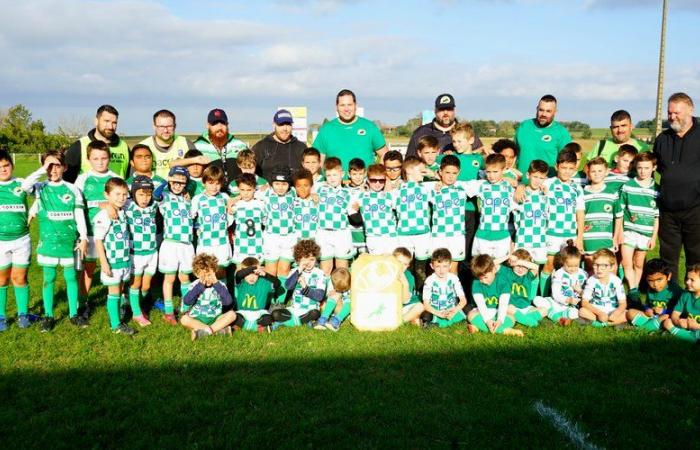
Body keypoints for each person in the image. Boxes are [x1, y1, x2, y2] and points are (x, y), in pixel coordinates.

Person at [26, 150, 89, 332]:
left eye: (57, 165)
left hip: (70, 242)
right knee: (49, 278)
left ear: (65, 167)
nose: (53, 170)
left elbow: (79, 215)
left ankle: (73, 314)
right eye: (49, 165)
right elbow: (25, 186)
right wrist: (42, 168)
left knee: (71, 278)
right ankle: (48, 315)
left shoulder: (73, 189)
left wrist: (83, 238)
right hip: (48, 243)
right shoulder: (40, 187)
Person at [653, 92, 700, 281]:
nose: (672, 117)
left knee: (696, 258)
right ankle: (671, 299)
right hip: (668, 211)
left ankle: (695, 303)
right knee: (668, 258)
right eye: (669, 113)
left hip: (695, 209)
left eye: (676, 113)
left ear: (691, 110)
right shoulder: (662, 139)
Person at [74, 141, 119, 317]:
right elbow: (76, 205)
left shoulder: (115, 178)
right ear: (89, 159)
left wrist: (110, 205)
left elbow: (122, 201)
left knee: (115, 267)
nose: (100, 162)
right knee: (88, 268)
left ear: (109, 158)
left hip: (112, 235)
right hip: (90, 234)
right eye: (96, 159)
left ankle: (118, 299)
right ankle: (83, 302)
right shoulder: (83, 179)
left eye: (104, 158)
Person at [535, 148, 584, 296]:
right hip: (551, 232)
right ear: (557, 166)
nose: (567, 171)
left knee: (569, 266)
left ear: (575, 168)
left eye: (571, 168)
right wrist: (521, 187)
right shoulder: (547, 183)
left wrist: (580, 237)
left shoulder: (577, 188)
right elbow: (531, 186)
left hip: (569, 234)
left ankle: (569, 295)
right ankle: (544, 296)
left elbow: (580, 213)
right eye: (563, 168)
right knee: (549, 265)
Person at [94, 177, 136, 335]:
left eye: (125, 194)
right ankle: (115, 324)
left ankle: (118, 314)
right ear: (107, 195)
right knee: (113, 292)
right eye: (117, 194)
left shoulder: (122, 210)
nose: (122, 198)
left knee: (119, 289)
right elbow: (98, 241)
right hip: (111, 262)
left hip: (123, 260)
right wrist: (104, 263)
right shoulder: (104, 216)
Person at [617, 152, 659, 306]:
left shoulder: (657, 189)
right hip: (629, 231)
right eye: (640, 168)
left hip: (645, 233)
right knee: (626, 262)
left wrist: (653, 237)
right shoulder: (628, 186)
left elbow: (656, 217)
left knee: (639, 263)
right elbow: (620, 211)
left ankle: (632, 289)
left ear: (654, 167)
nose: (643, 171)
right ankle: (633, 291)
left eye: (647, 168)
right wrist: (620, 232)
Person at [154, 166, 194, 324]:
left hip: (187, 244)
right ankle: (169, 311)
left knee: (185, 277)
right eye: (174, 182)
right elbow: (156, 194)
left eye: (181, 183)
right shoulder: (165, 196)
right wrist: (166, 181)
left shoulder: (187, 198)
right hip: (170, 244)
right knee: (169, 278)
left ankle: (186, 308)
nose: (177, 186)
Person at [312, 89, 387, 172]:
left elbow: (385, 155)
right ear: (336, 107)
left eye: (349, 105)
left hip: (364, 184)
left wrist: (378, 175)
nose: (346, 109)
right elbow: (317, 161)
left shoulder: (369, 127)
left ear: (356, 106)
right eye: (342, 105)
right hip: (334, 184)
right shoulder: (326, 130)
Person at [0, 150, 34, 331]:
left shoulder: (21, 183)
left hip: (22, 240)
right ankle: (1, 316)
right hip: (0, 242)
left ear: (12, 166)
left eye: (6, 166)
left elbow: (43, 194)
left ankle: (22, 314)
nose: (3, 170)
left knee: (19, 277)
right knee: (1, 280)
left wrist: (34, 211)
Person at [459, 153, 514, 259]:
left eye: (495, 172)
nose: (491, 175)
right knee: (481, 267)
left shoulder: (510, 188)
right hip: (483, 234)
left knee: (499, 266)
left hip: (502, 235)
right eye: (488, 172)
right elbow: (460, 185)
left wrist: (520, 186)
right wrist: (440, 182)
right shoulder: (481, 185)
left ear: (503, 170)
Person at [395, 156, 433, 291]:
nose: (424, 173)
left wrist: (432, 175)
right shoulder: (397, 190)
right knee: (405, 265)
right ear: (409, 171)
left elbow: (442, 183)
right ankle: (407, 292)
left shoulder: (426, 188)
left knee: (421, 266)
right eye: (421, 171)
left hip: (422, 233)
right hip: (404, 234)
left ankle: (422, 293)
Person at [64, 104, 130, 182]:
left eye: (114, 123)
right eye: (106, 121)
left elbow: (127, 177)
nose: (110, 127)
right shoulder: (79, 146)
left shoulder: (124, 146)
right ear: (96, 121)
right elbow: (67, 182)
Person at [259, 168, 296, 305]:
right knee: (270, 270)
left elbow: (310, 191)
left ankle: (279, 302)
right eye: (277, 184)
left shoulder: (294, 193)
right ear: (271, 183)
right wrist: (233, 200)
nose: (280, 187)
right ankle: (268, 301)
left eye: (284, 184)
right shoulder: (265, 193)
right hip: (271, 237)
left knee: (284, 269)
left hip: (289, 237)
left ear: (289, 184)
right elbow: (247, 193)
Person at [406, 93, 484, 157]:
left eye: (449, 109)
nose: (446, 113)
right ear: (435, 111)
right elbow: (410, 161)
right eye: (441, 109)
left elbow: (480, 155)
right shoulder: (420, 133)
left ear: (454, 111)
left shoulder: (466, 132)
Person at [124, 176, 157, 327]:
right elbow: (110, 200)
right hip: (136, 253)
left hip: (152, 252)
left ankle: (136, 305)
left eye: (148, 194)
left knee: (146, 286)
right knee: (135, 284)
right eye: (141, 194)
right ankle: (137, 313)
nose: (145, 198)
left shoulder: (154, 204)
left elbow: (164, 187)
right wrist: (106, 205)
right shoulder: (128, 205)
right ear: (133, 193)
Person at [180, 253, 236, 340]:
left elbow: (228, 302)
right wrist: (199, 287)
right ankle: (217, 330)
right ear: (197, 274)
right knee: (184, 319)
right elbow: (187, 301)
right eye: (203, 275)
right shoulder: (194, 285)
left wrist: (216, 284)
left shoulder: (220, 285)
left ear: (215, 272)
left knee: (232, 315)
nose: (207, 278)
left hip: (216, 317)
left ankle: (203, 332)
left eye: (209, 274)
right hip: (197, 318)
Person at [514, 95, 572, 180]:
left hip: (546, 186)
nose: (543, 114)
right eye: (541, 110)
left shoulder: (561, 133)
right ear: (537, 108)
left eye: (548, 111)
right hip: (521, 185)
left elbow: (567, 163)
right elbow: (511, 154)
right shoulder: (524, 126)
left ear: (555, 112)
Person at [271, 239, 326, 328]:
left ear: (316, 259)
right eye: (305, 259)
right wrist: (299, 271)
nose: (308, 263)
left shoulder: (320, 273)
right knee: (275, 314)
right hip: (294, 309)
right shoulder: (294, 271)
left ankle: (288, 322)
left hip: (310, 309)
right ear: (298, 260)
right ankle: (302, 321)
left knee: (315, 313)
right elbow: (288, 286)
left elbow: (319, 296)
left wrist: (305, 287)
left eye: (312, 259)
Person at [191, 166, 233, 280]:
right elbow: (191, 217)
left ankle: (221, 296)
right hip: (205, 242)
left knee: (220, 270)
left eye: (217, 183)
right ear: (204, 182)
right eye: (210, 183)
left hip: (222, 242)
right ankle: (205, 296)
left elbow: (229, 218)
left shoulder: (225, 197)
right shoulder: (197, 199)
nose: (214, 187)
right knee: (205, 271)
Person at [467, 254, 523, 336]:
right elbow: (481, 305)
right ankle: (505, 330)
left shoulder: (503, 282)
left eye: (486, 277)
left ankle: (479, 327)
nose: (483, 281)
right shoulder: (476, 283)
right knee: (470, 315)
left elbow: (503, 304)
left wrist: (500, 320)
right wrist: (488, 321)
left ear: (494, 270)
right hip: (484, 311)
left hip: (499, 310)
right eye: (480, 279)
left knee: (512, 318)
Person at [430, 155, 469, 273]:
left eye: (454, 173)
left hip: (456, 235)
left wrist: (520, 185)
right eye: (447, 172)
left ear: (459, 172)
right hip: (439, 235)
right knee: (437, 268)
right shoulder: (432, 188)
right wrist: (433, 177)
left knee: (453, 269)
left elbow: (491, 180)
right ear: (440, 172)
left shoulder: (464, 187)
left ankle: (453, 291)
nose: (451, 176)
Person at [349, 164, 398, 256]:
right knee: (377, 265)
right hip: (373, 237)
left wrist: (389, 186)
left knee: (392, 264)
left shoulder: (390, 195)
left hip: (391, 236)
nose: (377, 183)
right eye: (373, 180)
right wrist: (356, 214)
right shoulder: (360, 196)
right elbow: (351, 211)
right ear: (368, 180)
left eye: (381, 181)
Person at [582, 157, 622, 269]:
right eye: (593, 171)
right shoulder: (582, 193)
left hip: (606, 239)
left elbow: (618, 216)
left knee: (611, 269)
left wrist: (615, 238)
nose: (596, 174)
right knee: (591, 270)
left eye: (600, 171)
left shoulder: (612, 193)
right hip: (589, 239)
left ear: (606, 172)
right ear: (588, 173)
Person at [315, 157, 354, 274]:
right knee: (325, 269)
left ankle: (343, 291)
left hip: (341, 233)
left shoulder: (348, 193)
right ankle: (324, 290)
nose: (332, 179)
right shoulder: (319, 189)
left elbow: (353, 211)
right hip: (323, 232)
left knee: (342, 268)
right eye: (329, 175)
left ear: (342, 174)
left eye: (335, 175)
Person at [533, 242, 586, 325]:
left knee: (575, 313)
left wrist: (580, 291)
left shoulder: (583, 274)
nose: (572, 269)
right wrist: (567, 299)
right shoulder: (559, 274)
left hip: (569, 307)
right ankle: (556, 316)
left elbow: (588, 293)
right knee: (537, 299)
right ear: (563, 262)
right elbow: (555, 293)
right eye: (569, 266)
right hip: (555, 302)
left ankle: (554, 315)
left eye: (576, 266)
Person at [192, 108, 249, 186]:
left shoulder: (240, 145)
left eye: (222, 123)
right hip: (210, 195)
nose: (219, 127)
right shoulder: (197, 147)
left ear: (227, 125)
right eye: (214, 123)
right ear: (208, 125)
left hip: (238, 194)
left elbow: (251, 169)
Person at [139, 109, 196, 180]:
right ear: (154, 126)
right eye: (161, 127)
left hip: (180, 189)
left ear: (175, 126)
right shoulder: (142, 146)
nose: (166, 130)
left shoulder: (186, 144)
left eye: (169, 126)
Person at [627, 259, 682, 332]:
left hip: (668, 318)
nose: (655, 284)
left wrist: (664, 311)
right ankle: (655, 327)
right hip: (654, 317)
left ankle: (644, 328)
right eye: (650, 281)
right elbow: (647, 304)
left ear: (668, 276)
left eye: (659, 280)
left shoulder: (674, 290)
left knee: (666, 317)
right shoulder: (650, 289)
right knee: (630, 312)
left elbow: (682, 312)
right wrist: (647, 310)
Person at [512, 160, 549, 266]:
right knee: (520, 267)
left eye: (541, 178)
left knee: (536, 269)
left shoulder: (545, 195)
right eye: (535, 177)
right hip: (523, 240)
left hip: (540, 240)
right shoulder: (520, 194)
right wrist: (520, 186)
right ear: (528, 175)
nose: (538, 181)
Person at [419, 248, 467, 329]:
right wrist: (438, 313)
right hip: (436, 310)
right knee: (426, 316)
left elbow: (463, 300)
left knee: (466, 311)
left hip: (451, 309)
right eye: (438, 266)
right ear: (432, 266)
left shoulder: (454, 278)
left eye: (445, 266)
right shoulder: (429, 281)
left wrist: (454, 311)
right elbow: (426, 304)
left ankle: (439, 324)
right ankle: (435, 323)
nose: (441, 270)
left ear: (450, 265)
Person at [252, 109, 307, 180]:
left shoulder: (301, 148)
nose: (285, 128)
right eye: (281, 124)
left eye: (288, 124)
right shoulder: (260, 147)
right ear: (274, 125)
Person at [579, 249, 627, 327]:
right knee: (582, 311)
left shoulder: (616, 281)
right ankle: (610, 323)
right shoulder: (591, 280)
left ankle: (600, 324)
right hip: (596, 310)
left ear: (611, 267)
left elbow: (623, 303)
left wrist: (616, 313)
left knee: (626, 313)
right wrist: (599, 313)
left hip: (612, 309)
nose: (599, 269)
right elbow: (584, 302)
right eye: (596, 265)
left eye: (604, 266)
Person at [585, 110, 649, 167]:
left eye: (623, 126)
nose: (620, 130)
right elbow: (587, 168)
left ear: (631, 127)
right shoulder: (601, 145)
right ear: (611, 129)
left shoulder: (643, 148)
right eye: (615, 127)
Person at [233, 257, 279, 332]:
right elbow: (238, 275)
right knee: (234, 316)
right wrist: (254, 268)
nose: (252, 277)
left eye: (255, 274)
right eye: (248, 274)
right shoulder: (241, 283)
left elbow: (277, 283)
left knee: (267, 317)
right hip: (242, 312)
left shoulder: (263, 282)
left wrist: (265, 274)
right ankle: (256, 327)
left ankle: (247, 326)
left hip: (259, 312)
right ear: (244, 273)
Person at [229, 173, 266, 267]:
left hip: (257, 243)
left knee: (257, 269)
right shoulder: (236, 205)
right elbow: (228, 223)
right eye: (242, 190)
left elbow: (266, 222)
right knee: (240, 268)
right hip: (241, 243)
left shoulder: (261, 204)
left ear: (254, 189)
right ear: (238, 189)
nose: (245, 193)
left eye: (249, 190)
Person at [504, 250, 547, 327]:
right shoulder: (508, 273)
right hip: (512, 307)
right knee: (507, 307)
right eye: (518, 266)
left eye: (524, 266)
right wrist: (511, 259)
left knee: (544, 311)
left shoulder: (528, 276)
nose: (521, 269)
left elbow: (536, 267)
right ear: (512, 264)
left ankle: (521, 318)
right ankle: (528, 321)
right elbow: (493, 265)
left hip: (525, 307)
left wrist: (519, 262)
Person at [662, 263, 700, 342]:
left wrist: (697, 326)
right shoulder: (685, 294)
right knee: (667, 322)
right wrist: (678, 322)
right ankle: (689, 337)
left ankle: (679, 334)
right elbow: (675, 314)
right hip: (686, 326)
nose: (687, 282)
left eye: (692, 280)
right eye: (687, 279)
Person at [393, 247, 424, 325]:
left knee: (420, 307)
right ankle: (413, 319)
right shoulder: (387, 272)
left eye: (405, 264)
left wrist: (405, 283)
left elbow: (405, 301)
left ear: (408, 266)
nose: (401, 266)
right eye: (399, 262)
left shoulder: (408, 277)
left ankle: (399, 322)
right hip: (391, 305)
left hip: (405, 305)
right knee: (416, 321)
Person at [315, 267, 351, 331]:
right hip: (334, 307)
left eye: (344, 289)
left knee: (350, 302)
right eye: (338, 288)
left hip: (345, 311)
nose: (342, 290)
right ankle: (323, 319)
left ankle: (336, 321)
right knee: (335, 294)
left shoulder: (350, 285)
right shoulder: (330, 282)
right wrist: (329, 293)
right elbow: (324, 295)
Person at [292, 169, 319, 242]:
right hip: (297, 242)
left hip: (314, 242)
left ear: (311, 186)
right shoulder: (292, 203)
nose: (302, 189)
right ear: (294, 187)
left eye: (306, 186)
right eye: (298, 186)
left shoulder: (317, 201)